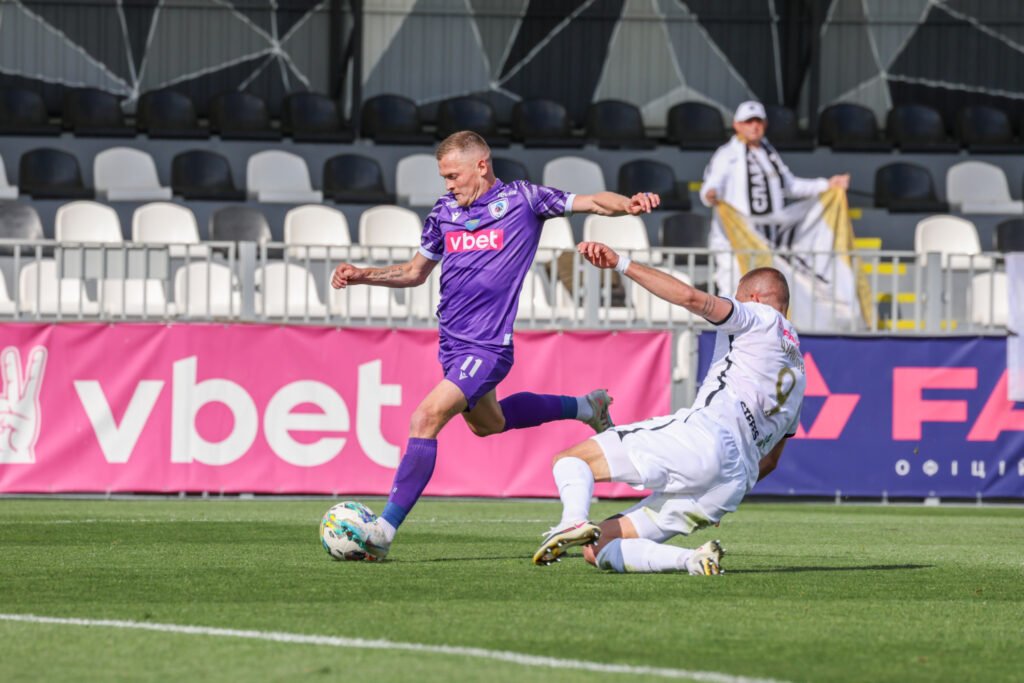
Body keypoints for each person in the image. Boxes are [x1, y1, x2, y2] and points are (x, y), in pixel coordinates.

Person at [331, 131, 661, 559]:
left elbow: (593, 202)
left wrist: (628, 205)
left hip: (487, 347)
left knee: (425, 417)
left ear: (481, 166)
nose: (448, 184)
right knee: (490, 423)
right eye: (444, 177)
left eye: (453, 175)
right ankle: (586, 407)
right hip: (452, 344)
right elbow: (415, 272)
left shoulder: (524, 199)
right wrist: (363, 275)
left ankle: (383, 531)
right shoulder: (444, 212)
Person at [533, 242, 806, 575]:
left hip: (708, 439)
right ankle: (692, 560)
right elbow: (772, 461)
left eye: (736, 298)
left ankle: (572, 521)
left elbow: (693, 299)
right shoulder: (799, 373)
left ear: (754, 298)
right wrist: (724, 482)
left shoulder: (759, 316)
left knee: (572, 460)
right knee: (597, 547)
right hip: (732, 484)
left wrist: (621, 263)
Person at [701, 100, 850, 294]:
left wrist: (827, 185)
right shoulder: (726, 154)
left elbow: (790, 185)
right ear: (737, 125)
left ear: (765, 124)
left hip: (766, 239)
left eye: (758, 121)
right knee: (733, 288)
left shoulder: (768, 152)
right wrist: (710, 194)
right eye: (748, 122)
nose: (754, 126)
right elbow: (712, 184)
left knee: (764, 292)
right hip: (735, 240)